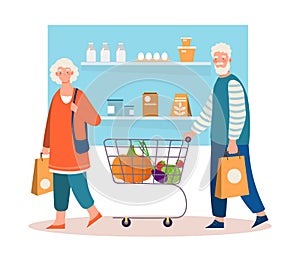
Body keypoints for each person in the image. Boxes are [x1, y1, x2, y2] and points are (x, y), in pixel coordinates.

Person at [184, 43, 268, 229]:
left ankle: (260, 214)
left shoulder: (233, 84)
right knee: (217, 180)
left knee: (240, 178)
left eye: (222, 58)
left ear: (229, 60)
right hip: (217, 140)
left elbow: (238, 114)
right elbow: (209, 111)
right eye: (216, 59)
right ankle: (219, 219)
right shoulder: (218, 83)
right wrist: (194, 130)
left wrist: (233, 140)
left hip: (234, 142)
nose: (219, 62)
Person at [42, 58, 102, 229]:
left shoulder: (79, 95)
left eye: (67, 71)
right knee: (60, 184)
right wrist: (46, 144)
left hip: (75, 151)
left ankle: (94, 213)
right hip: (59, 151)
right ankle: (60, 220)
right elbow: (50, 122)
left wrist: (79, 110)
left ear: (73, 73)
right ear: (56, 75)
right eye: (60, 72)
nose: (64, 75)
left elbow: (96, 120)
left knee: (77, 183)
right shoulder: (55, 97)